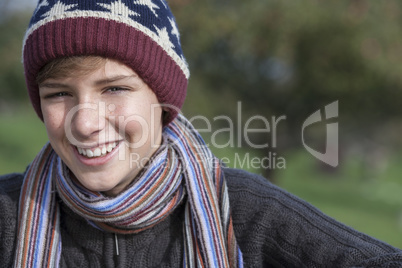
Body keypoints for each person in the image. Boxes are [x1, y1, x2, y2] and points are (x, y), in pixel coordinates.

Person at [1, 0, 401, 267]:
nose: (85, 123)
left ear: (162, 100)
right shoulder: (11, 214)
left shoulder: (244, 211)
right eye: (59, 94)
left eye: (114, 89)